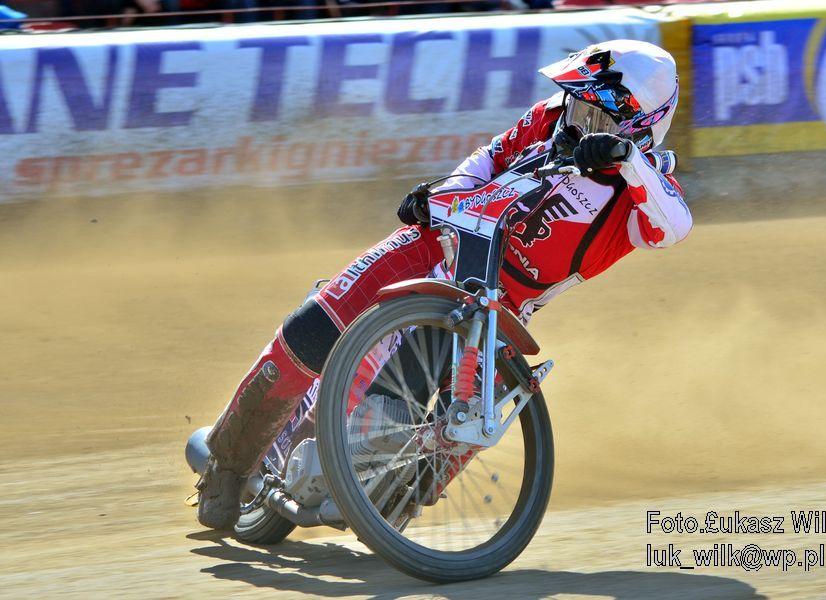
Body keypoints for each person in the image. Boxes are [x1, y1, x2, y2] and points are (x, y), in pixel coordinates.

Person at [196, 39, 692, 530]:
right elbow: (488, 159)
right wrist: (441, 194)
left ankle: (367, 495)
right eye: (577, 103)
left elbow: (675, 226)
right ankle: (226, 466)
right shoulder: (549, 116)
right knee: (313, 329)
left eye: (596, 114)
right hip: (436, 242)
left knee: (435, 433)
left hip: (496, 303)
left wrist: (627, 159)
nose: (576, 120)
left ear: (638, 124)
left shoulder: (642, 192)